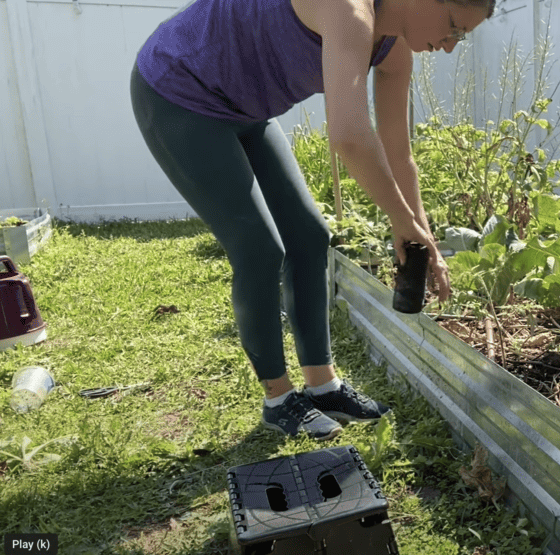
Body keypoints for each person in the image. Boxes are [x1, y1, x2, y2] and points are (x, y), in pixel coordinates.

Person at [130, 0, 494, 441]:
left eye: (463, 36)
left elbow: (399, 152)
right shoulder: (348, 10)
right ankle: (278, 400)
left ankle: (323, 387)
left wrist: (422, 236)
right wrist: (401, 219)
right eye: (454, 27)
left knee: (309, 233)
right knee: (258, 248)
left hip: (244, 110)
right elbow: (349, 135)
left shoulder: (394, 50)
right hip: (178, 91)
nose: (452, 46)